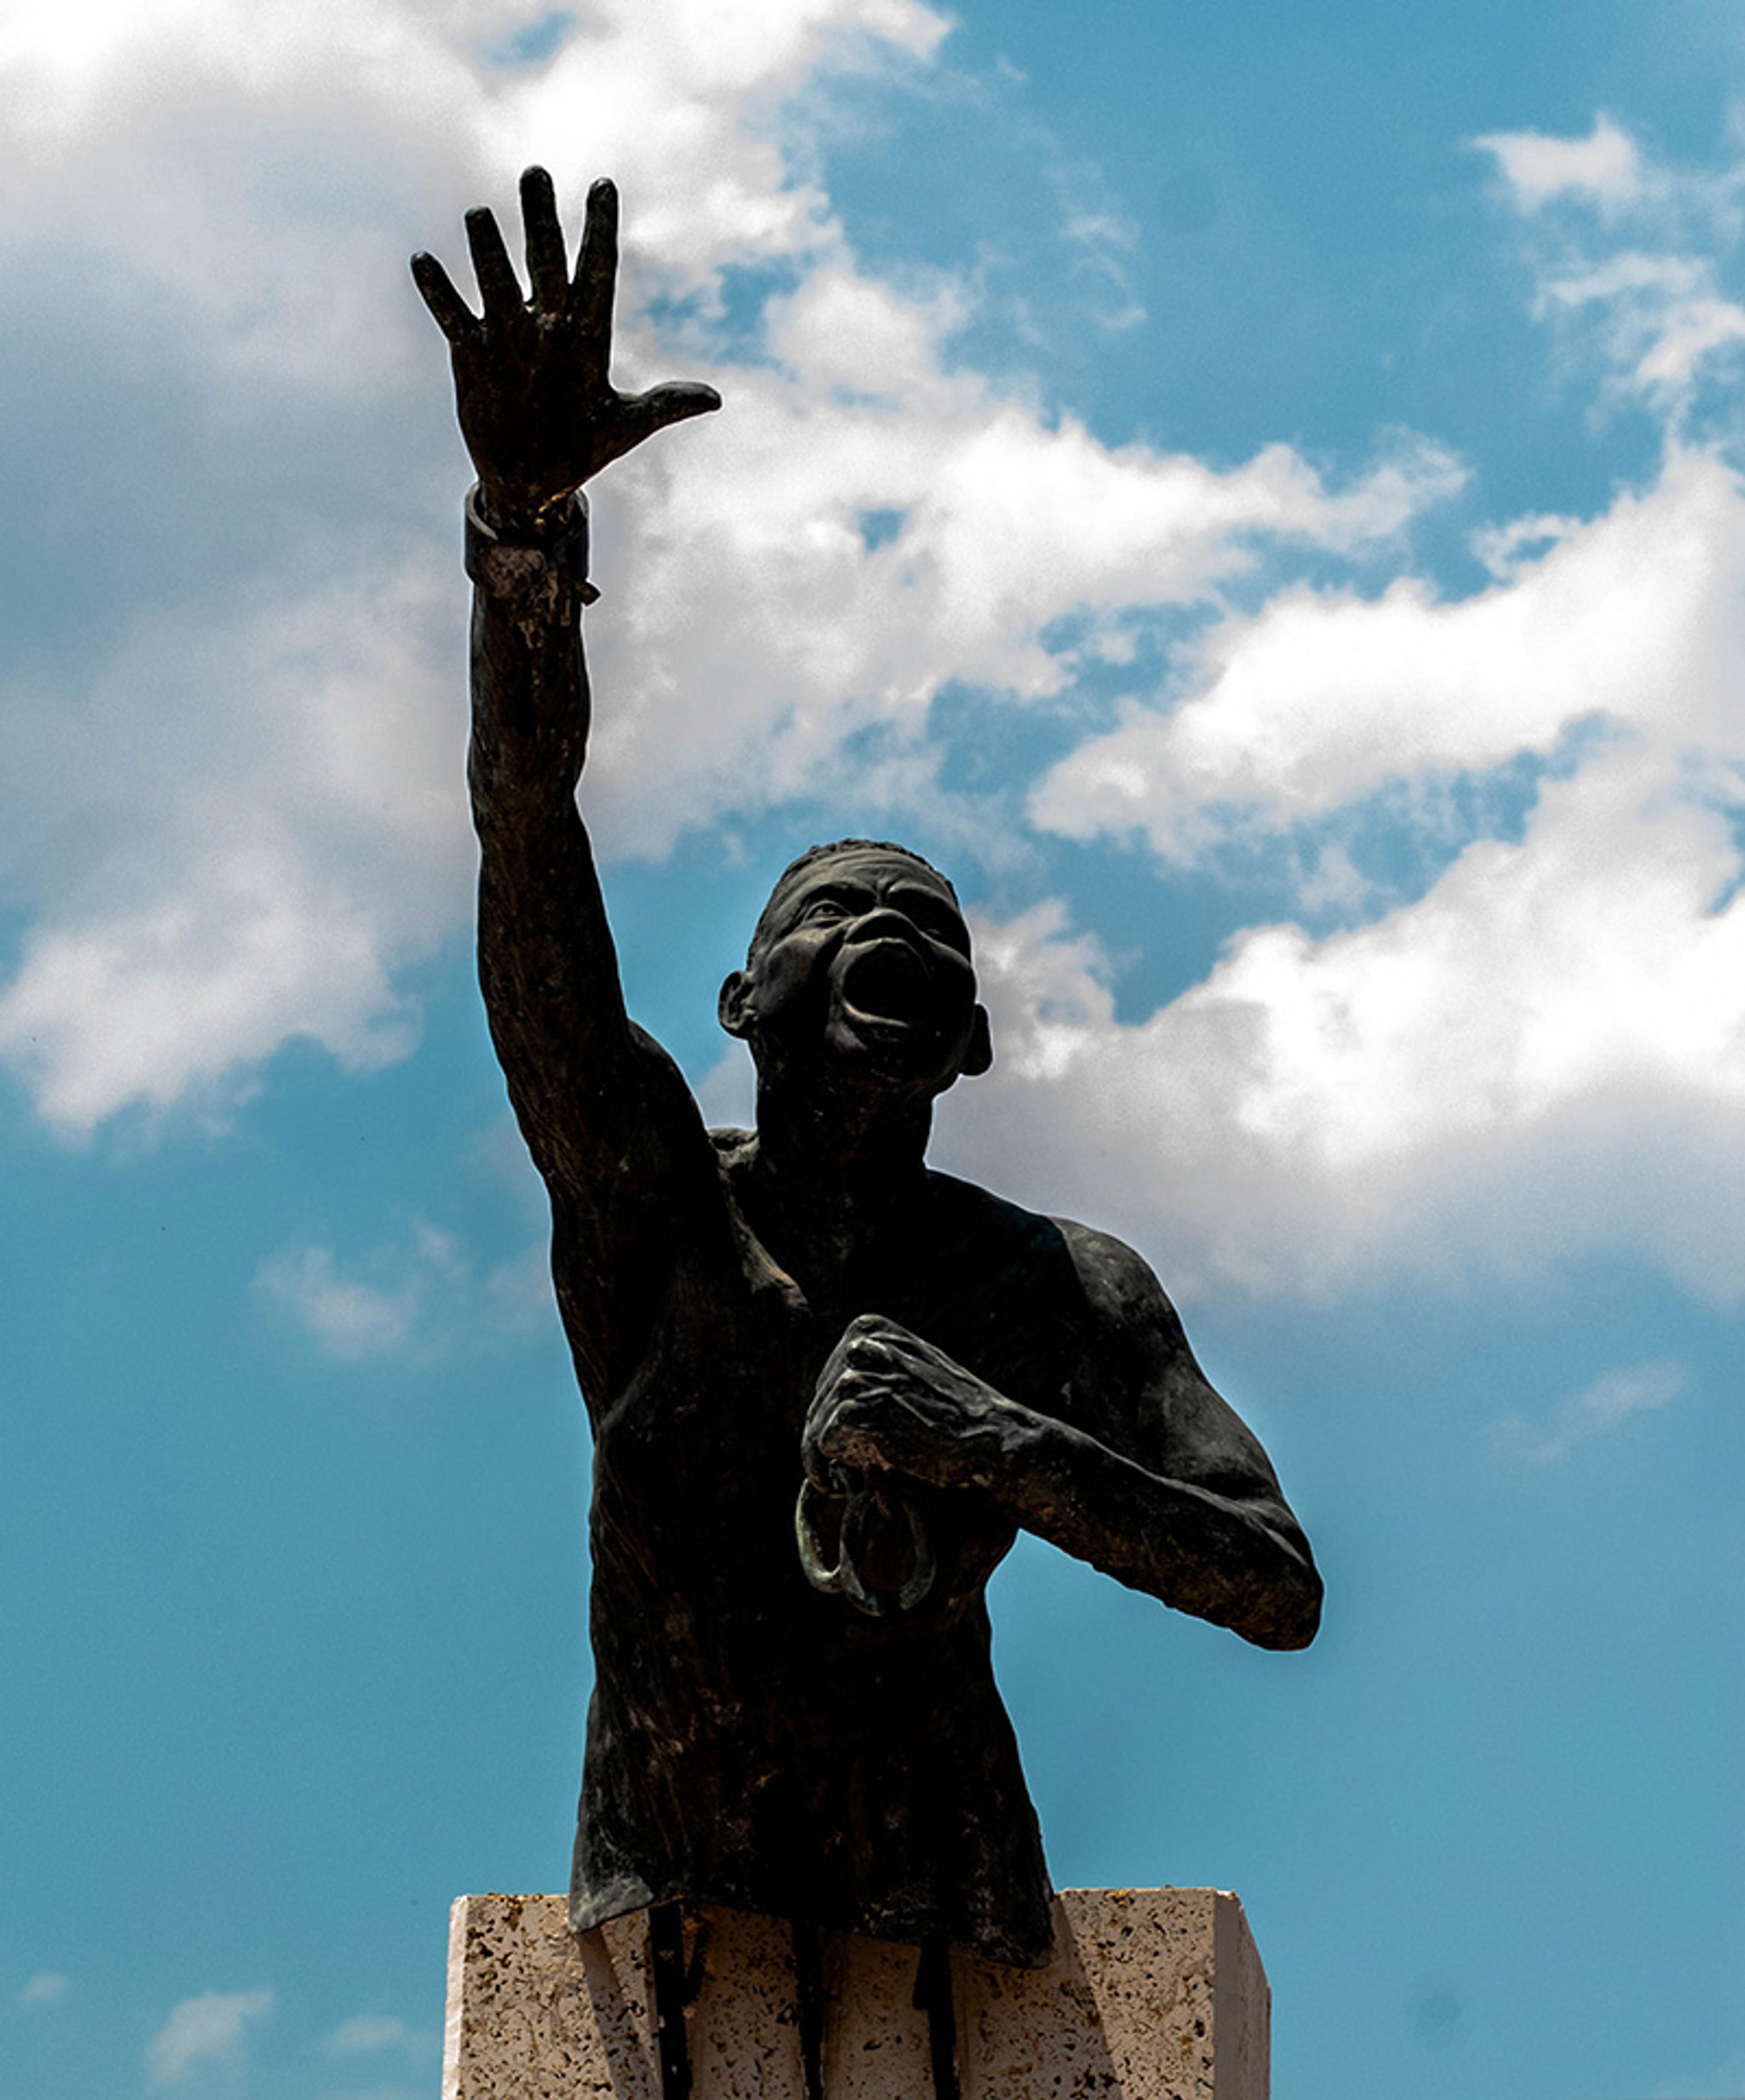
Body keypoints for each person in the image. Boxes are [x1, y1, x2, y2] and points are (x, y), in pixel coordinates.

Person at [412, 170, 1321, 1983]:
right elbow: (526, 850)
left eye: (932, 924)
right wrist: (524, 540)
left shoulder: (1057, 1287)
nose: (898, 919)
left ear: (969, 1040)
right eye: (846, 909)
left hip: (944, 1900)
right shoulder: (656, 1202)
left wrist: (992, 1438)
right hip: (675, 1899)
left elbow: (1274, 1580)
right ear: (750, 1001)